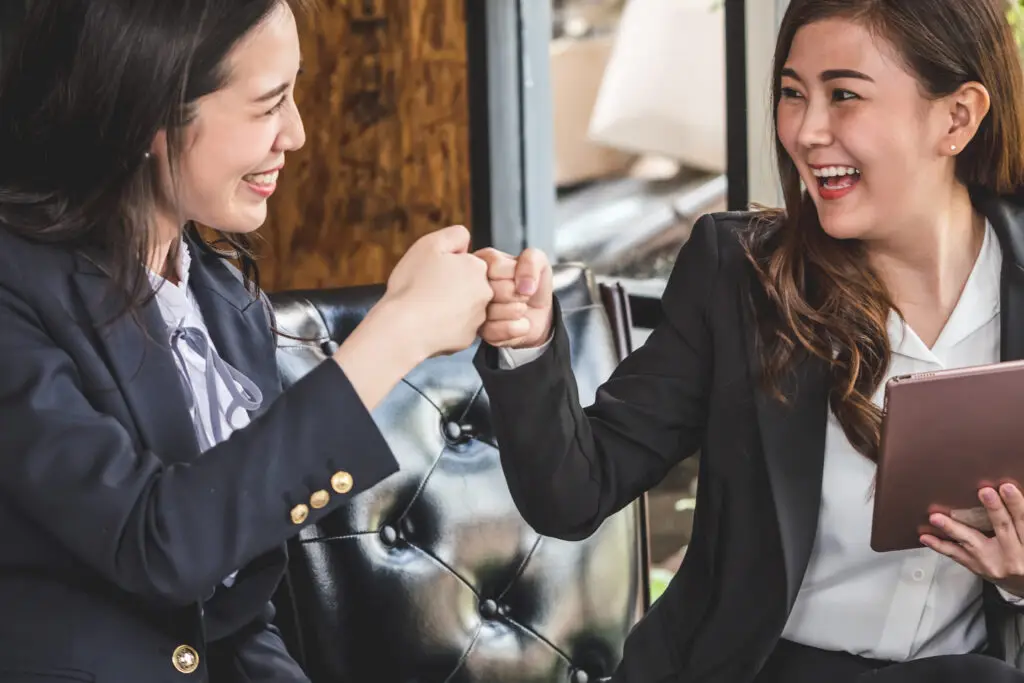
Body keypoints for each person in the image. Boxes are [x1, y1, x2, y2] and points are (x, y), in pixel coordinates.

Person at [474, 0, 1024, 681]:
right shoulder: (741, 275)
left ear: (958, 117)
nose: (806, 130)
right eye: (793, 94)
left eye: (843, 94)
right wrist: (528, 344)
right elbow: (575, 491)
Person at [0, 1, 493, 681]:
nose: (297, 133)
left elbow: (237, 613)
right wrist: (397, 329)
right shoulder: (13, 292)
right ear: (151, 114)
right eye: (269, 105)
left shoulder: (225, 302)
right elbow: (158, 544)